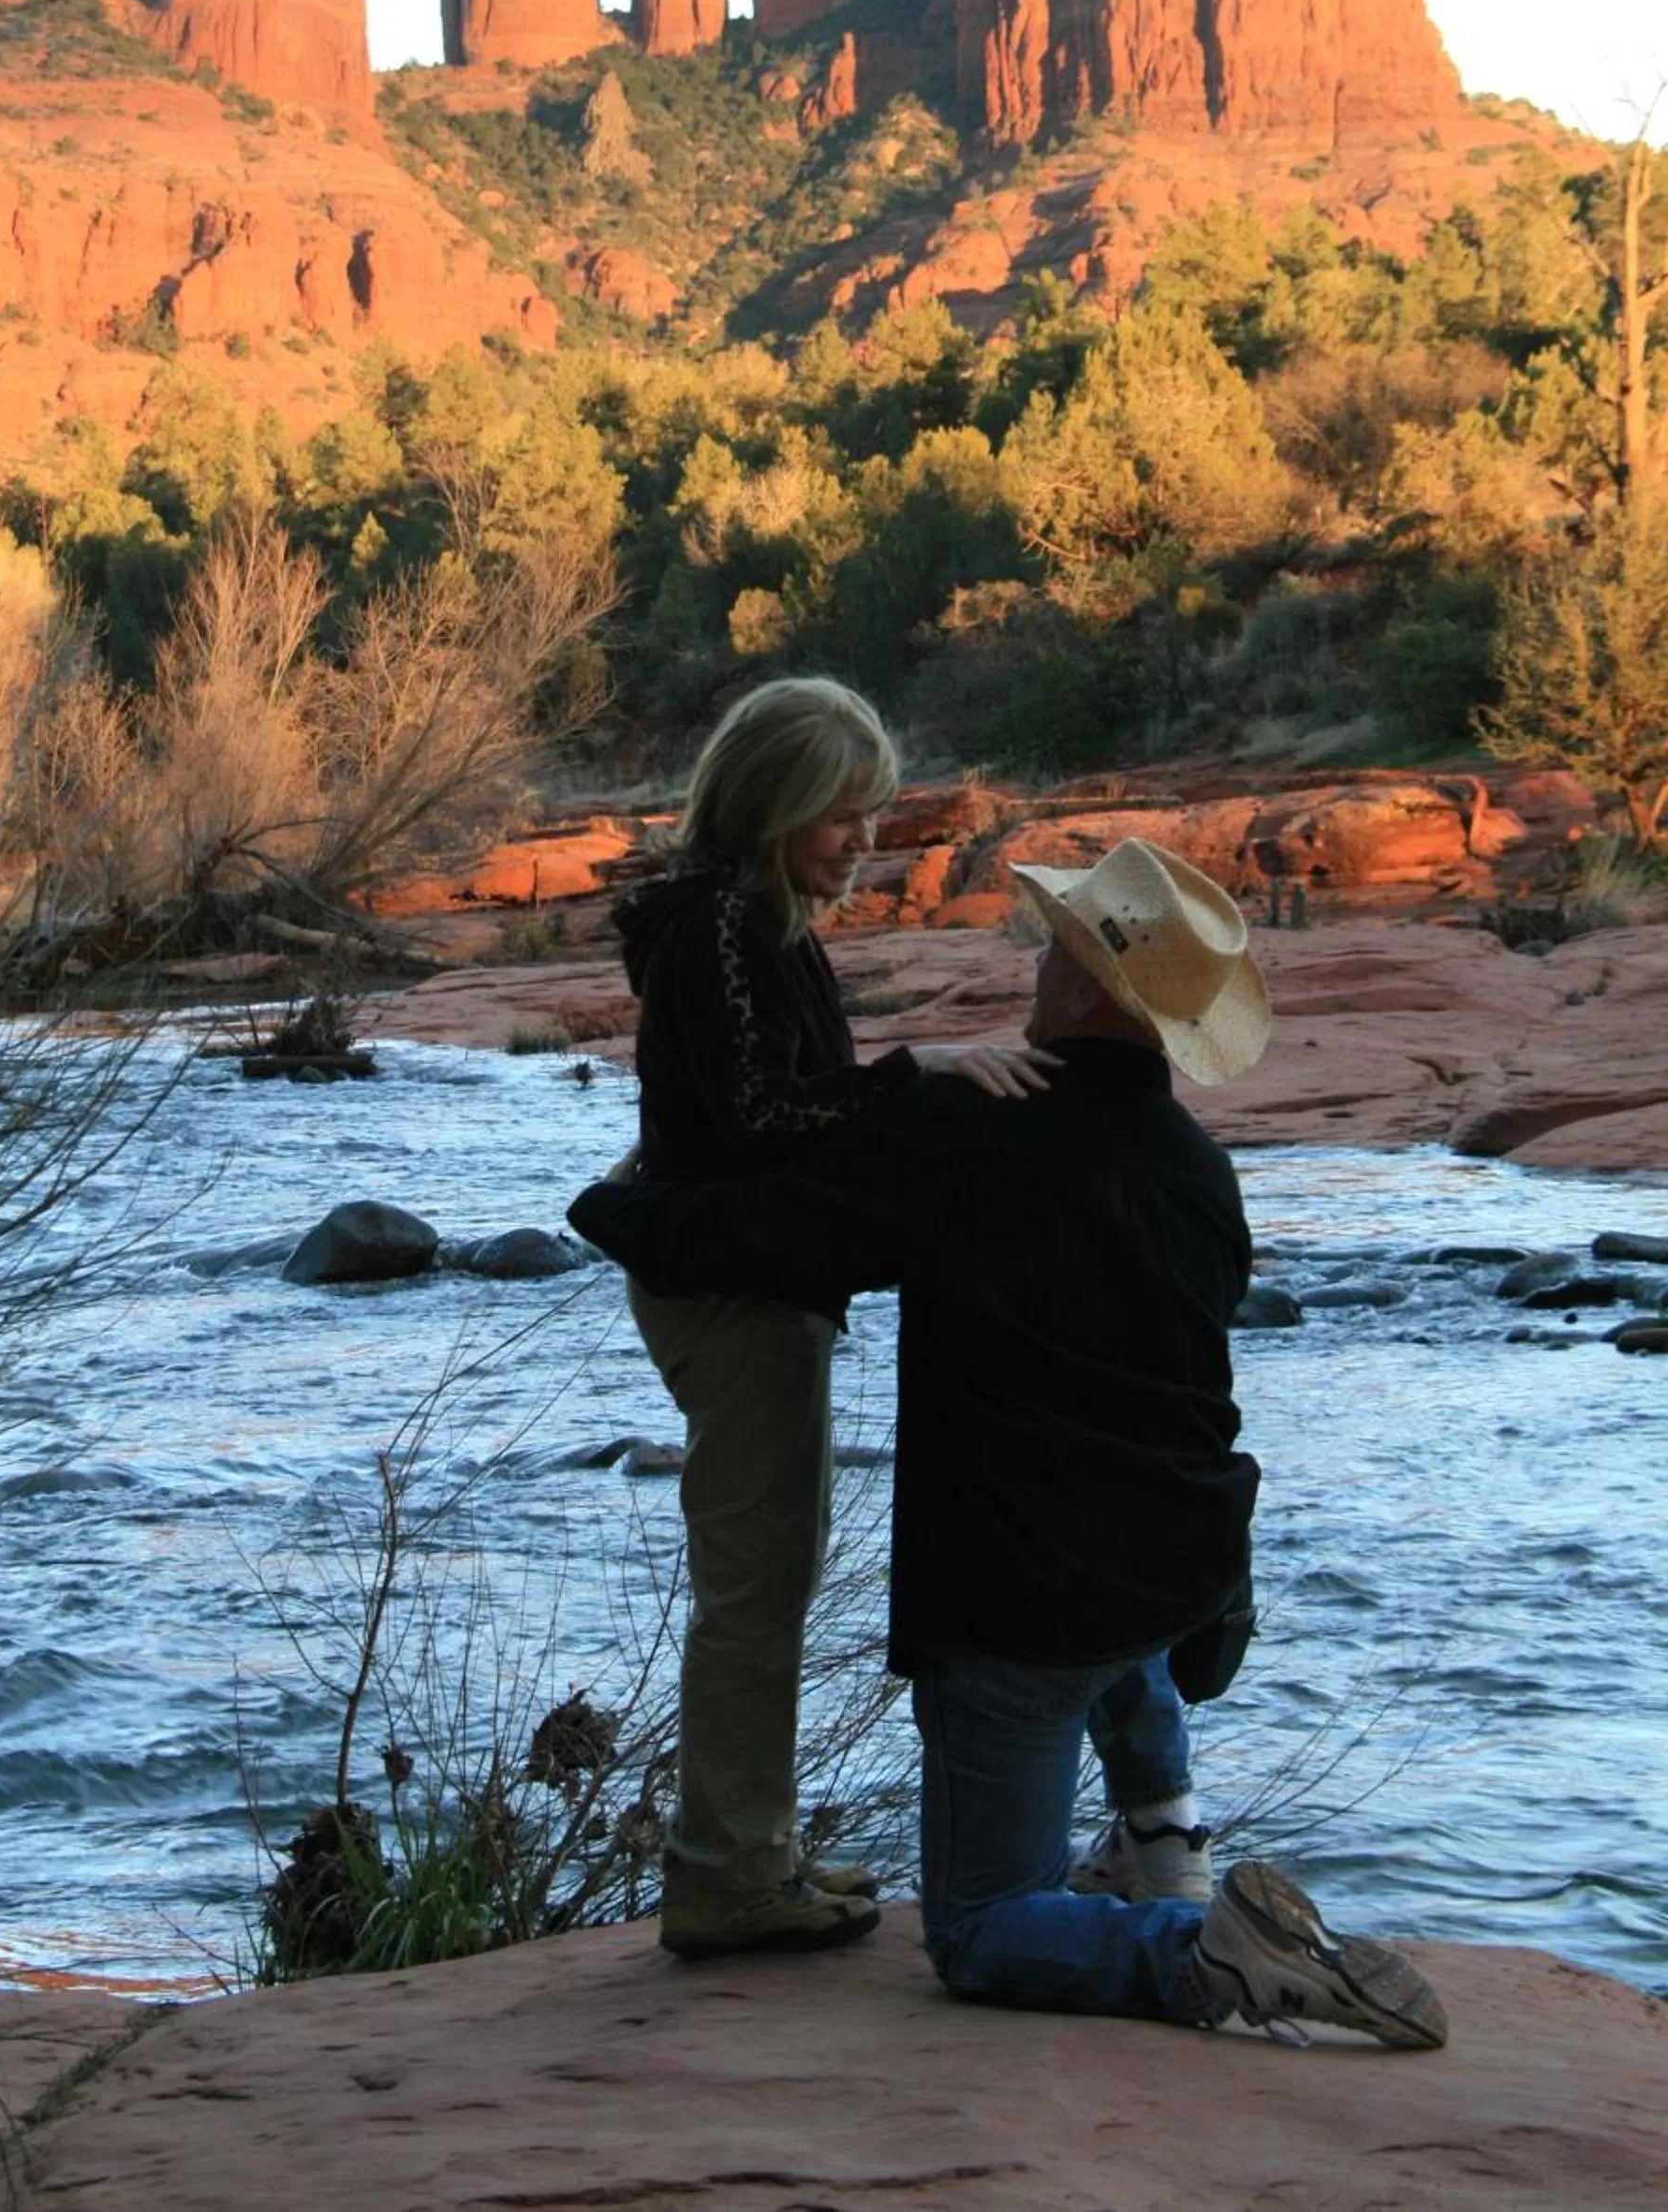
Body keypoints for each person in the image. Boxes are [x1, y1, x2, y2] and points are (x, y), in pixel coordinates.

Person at [574, 840, 1449, 2049]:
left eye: (1055, 950)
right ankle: (1166, 1839)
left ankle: (1205, 1954)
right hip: (1173, 1570)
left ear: (1087, 989)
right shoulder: (1197, 1167)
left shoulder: (973, 1129)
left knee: (981, 1928)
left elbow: (777, 1236)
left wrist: (613, 1209)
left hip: (1018, 1606)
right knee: (1122, 1588)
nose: (1035, 965)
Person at [613, 677, 1052, 1963]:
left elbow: (780, 1100)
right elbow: (762, 1119)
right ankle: (727, 1877)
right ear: (770, 804)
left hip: (746, 1281)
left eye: (871, 814)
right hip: (733, 1288)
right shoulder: (725, 935)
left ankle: (752, 1849)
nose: (864, 838)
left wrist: (904, 1078)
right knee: (755, 1588)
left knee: (770, 1578)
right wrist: (921, 1074)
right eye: (840, 815)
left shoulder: (753, 922)